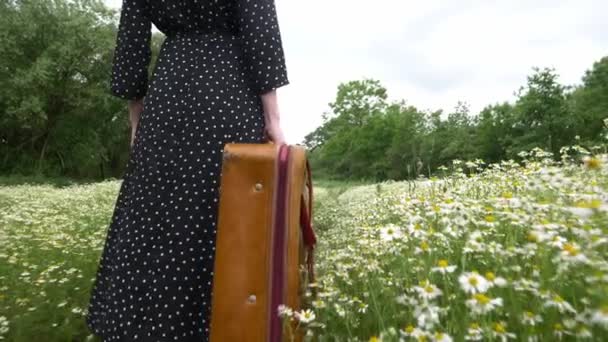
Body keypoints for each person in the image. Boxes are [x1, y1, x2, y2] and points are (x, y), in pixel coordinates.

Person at [84, 0, 289, 340]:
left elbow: (131, 38)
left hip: (169, 90)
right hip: (228, 91)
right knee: (226, 219)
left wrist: (137, 118)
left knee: (155, 220)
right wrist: (273, 119)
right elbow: (259, 28)